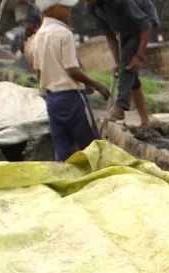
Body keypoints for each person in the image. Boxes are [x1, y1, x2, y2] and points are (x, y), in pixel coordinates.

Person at [29, 0, 110, 161]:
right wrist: (96, 84)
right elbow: (72, 69)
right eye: (65, 8)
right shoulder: (64, 34)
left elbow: (39, 72)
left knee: (62, 149)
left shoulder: (38, 36)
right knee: (93, 147)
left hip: (52, 100)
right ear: (52, 9)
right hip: (72, 98)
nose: (69, 11)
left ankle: (65, 180)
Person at [82, 0, 155, 126]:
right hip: (126, 28)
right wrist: (117, 61)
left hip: (143, 20)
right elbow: (110, 36)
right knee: (128, 70)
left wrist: (139, 56)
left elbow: (145, 25)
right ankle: (145, 120)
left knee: (128, 64)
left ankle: (120, 106)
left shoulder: (120, 2)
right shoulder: (92, 7)